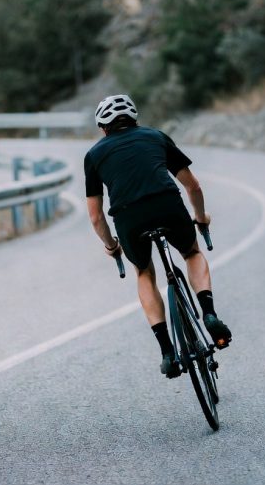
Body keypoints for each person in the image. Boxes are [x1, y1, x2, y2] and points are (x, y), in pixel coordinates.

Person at [84, 94, 232, 378]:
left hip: (128, 217)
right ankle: (209, 313)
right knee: (191, 252)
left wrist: (112, 245)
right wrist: (201, 218)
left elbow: (95, 216)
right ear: (135, 118)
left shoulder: (94, 155)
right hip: (167, 204)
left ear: (103, 128)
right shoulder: (155, 137)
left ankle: (167, 352)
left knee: (144, 272)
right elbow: (193, 186)